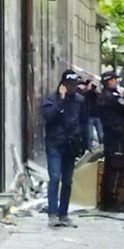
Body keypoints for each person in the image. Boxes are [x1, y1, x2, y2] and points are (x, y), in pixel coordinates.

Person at [41, 70, 87, 228]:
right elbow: (49, 117)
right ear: (63, 85)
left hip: (71, 144)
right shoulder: (51, 99)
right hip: (55, 142)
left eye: (74, 85)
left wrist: (84, 143)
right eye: (69, 85)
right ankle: (53, 213)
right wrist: (60, 101)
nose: (72, 88)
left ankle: (63, 214)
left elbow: (83, 122)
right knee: (54, 177)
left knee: (67, 181)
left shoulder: (79, 101)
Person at [97, 70, 124, 213]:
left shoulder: (105, 96)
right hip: (116, 135)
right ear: (110, 81)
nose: (116, 82)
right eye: (114, 80)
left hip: (111, 135)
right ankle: (111, 199)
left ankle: (106, 200)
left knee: (110, 166)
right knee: (116, 167)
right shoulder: (110, 97)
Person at [84, 79, 103, 150]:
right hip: (90, 116)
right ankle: (90, 148)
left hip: (97, 115)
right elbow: (85, 97)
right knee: (90, 135)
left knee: (101, 135)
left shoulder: (97, 95)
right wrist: (88, 90)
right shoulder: (87, 94)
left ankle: (102, 148)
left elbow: (100, 98)